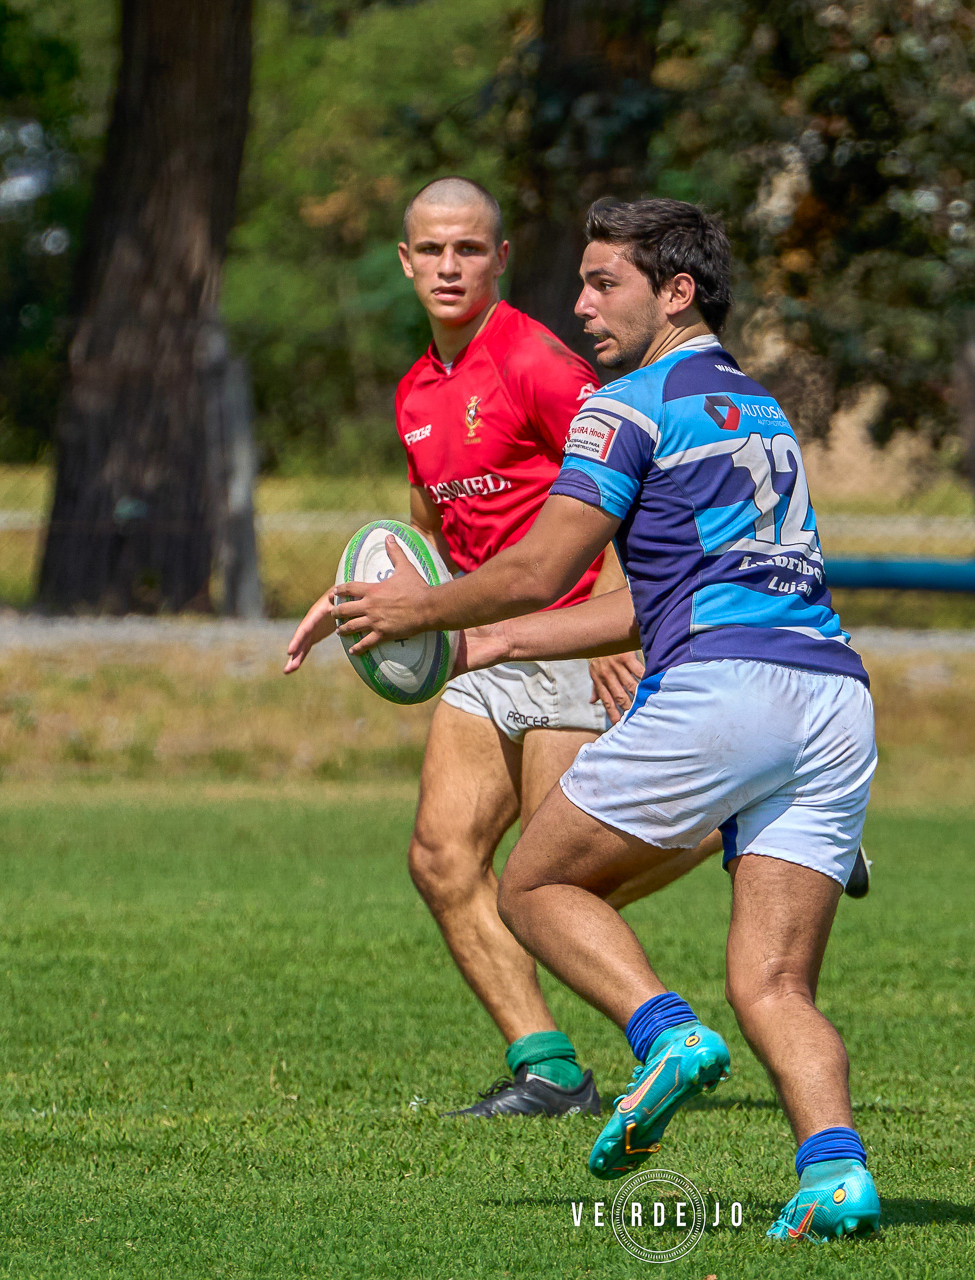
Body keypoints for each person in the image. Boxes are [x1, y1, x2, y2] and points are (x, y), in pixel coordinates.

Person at [331, 197, 883, 1241]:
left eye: (603, 283)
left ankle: (664, 1035)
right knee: (772, 980)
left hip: (730, 686)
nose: (580, 304)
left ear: (675, 292)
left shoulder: (626, 405)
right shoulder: (755, 404)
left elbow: (541, 566)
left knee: (534, 883)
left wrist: (423, 608)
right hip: (836, 697)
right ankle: (835, 1169)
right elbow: (645, 595)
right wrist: (486, 644)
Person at [284, 177, 712, 1119]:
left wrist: (612, 614)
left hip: (567, 633)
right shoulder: (414, 392)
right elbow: (425, 535)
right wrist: (369, 596)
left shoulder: (542, 363)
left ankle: (739, 821)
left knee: (561, 874)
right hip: (487, 649)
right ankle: (550, 1069)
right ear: (404, 261)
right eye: (431, 251)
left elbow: (623, 482)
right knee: (444, 857)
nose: (448, 266)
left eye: (468, 250)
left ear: (500, 259)